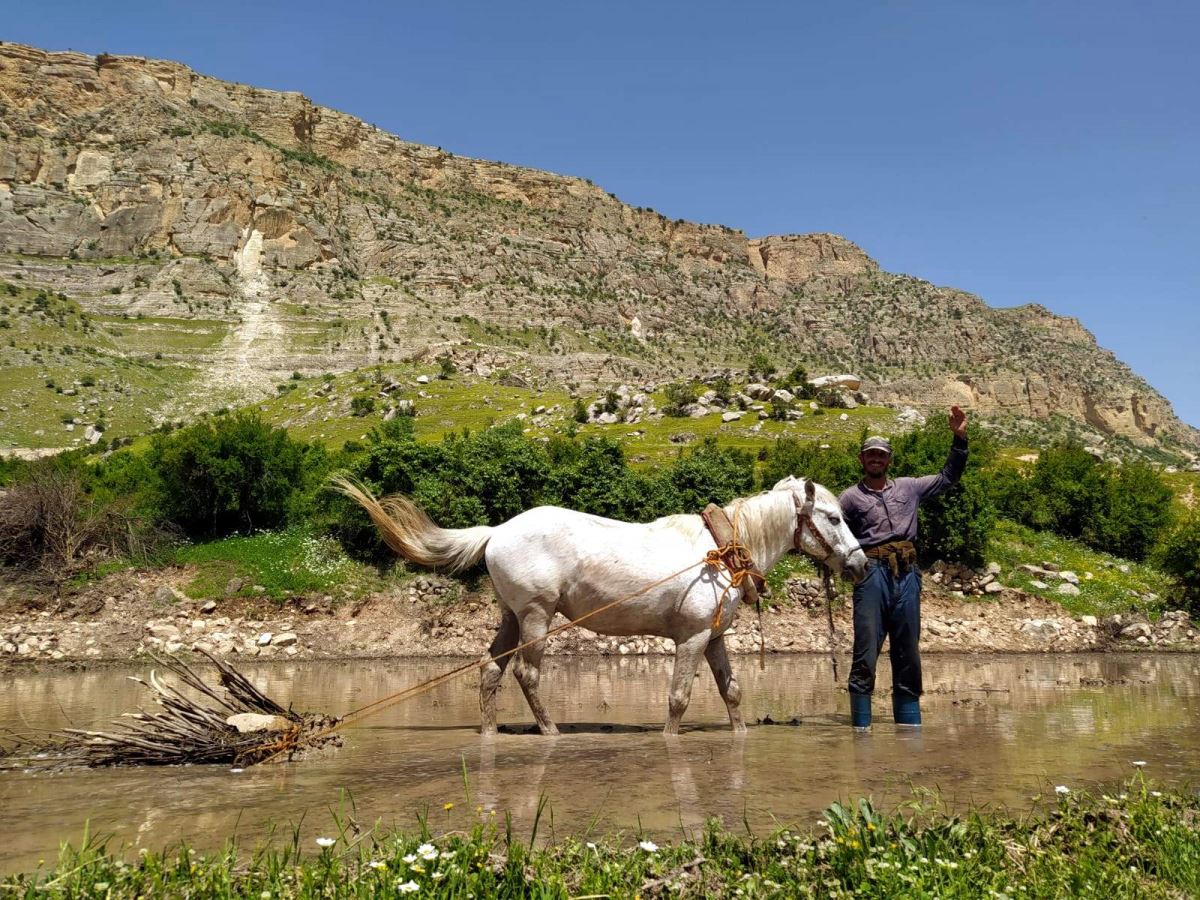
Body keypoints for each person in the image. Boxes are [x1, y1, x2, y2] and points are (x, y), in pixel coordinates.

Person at [838, 406, 968, 729]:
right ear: (861, 459)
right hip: (871, 576)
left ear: (889, 461)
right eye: (870, 455)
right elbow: (833, 533)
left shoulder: (909, 487)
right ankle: (860, 731)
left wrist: (960, 439)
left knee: (908, 652)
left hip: (907, 576)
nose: (876, 460)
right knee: (865, 650)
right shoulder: (850, 499)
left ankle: (909, 733)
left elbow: (947, 478)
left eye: (881, 455)